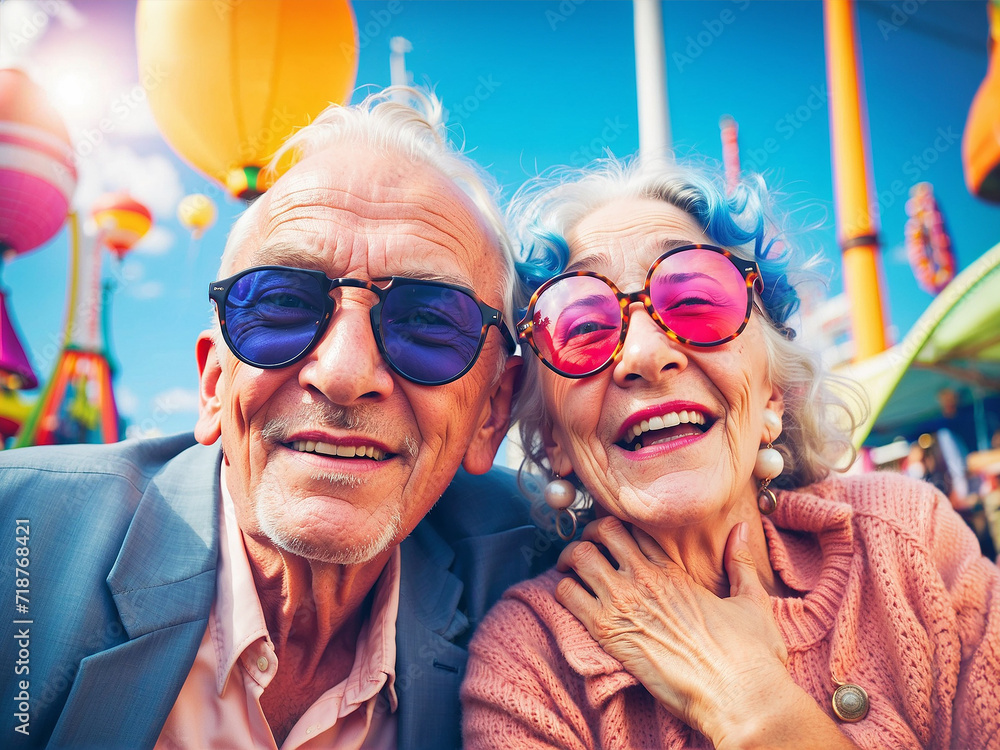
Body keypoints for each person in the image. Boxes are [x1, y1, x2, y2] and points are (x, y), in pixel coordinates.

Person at [1, 87, 558, 750]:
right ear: (213, 382)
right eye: (282, 304)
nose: (343, 374)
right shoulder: (19, 538)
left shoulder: (545, 574)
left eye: (430, 323)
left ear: (494, 409)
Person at [461, 157, 1000, 749]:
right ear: (552, 439)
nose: (643, 354)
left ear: (773, 393)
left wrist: (750, 702)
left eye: (694, 300)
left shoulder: (909, 542)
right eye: (584, 327)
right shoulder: (528, 667)